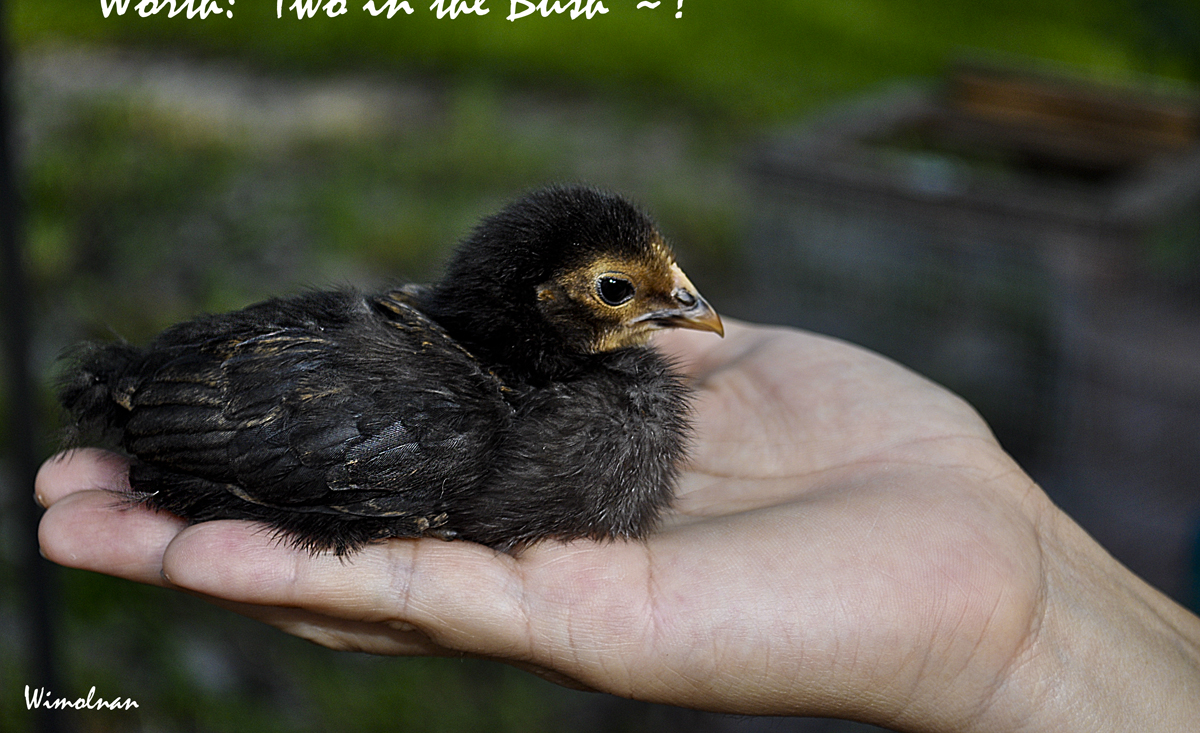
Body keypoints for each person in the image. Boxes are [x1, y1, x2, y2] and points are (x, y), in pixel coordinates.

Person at [35, 320, 1200, 731]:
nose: (678, 315)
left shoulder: (538, 407)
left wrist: (1026, 615)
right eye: (619, 293)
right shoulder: (443, 423)